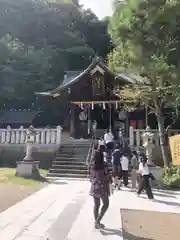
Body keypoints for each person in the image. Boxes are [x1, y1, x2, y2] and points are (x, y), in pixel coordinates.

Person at [90, 150, 112, 229]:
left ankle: (97, 223)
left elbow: (91, 177)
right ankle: (97, 221)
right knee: (106, 204)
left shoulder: (93, 165)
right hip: (102, 187)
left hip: (94, 187)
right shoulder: (104, 165)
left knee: (96, 205)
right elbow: (107, 176)